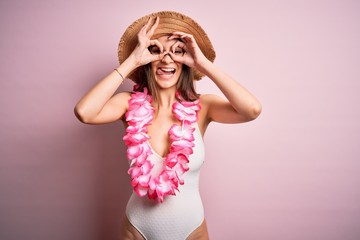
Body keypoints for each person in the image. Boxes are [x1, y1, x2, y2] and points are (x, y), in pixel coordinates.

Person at [74, 11, 261, 240]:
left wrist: (203, 64)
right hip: (137, 230)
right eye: (156, 50)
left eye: (177, 51)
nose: (167, 59)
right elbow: (84, 112)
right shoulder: (127, 105)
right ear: (146, 59)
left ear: (186, 62)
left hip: (192, 231)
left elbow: (252, 109)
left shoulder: (204, 107)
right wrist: (131, 60)